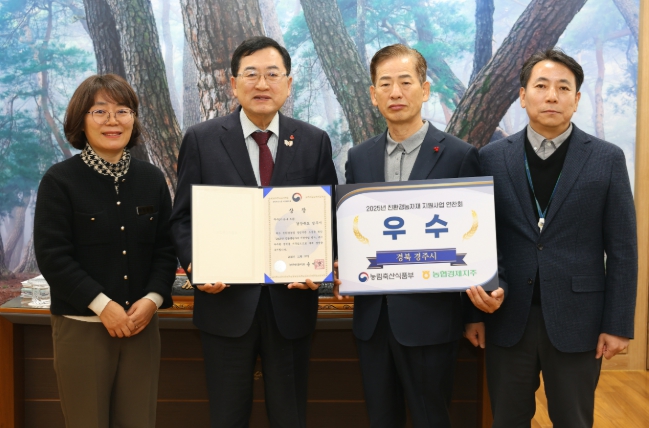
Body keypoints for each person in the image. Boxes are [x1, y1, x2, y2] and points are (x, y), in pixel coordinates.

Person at [169, 36, 338, 427]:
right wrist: (197, 265)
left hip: (291, 306)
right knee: (227, 416)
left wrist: (320, 265)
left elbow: (327, 216)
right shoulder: (201, 139)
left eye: (272, 74)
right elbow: (182, 218)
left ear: (288, 83)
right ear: (233, 84)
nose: (262, 84)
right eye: (251, 74)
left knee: (289, 416)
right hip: (225, 305)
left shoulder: (313, 141)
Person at [335, 44, 503, 428]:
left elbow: (477, 240)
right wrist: (343, 262)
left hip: (432, 322)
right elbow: (354, 230)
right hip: (373, 322)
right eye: (385, 84)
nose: (395, 92)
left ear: (425, 90)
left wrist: (474, 315)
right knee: (381, 418)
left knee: (432, 418)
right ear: (373, 94)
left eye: (405, 82)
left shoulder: (459, 155)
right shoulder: (359, 157)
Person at [471, 48, 637, 427]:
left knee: (573, 420)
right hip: (507, 318)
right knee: (507, 419)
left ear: (576, 100)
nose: (551, 96)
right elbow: (480, 242)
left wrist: (617, 323)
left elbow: (623, 249)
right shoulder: (492, 158)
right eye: (541, 86)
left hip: (579, 319)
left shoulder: (606, 158)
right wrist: (473, 315)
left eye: (563, 88)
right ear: (522, 95)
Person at [33, 74, 177, 428]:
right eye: (100, 111)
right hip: (82, 327)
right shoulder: (59, 181)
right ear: (80, 120)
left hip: (142, 325)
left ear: (133, 119)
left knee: (139, 421)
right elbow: (53, 256)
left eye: (123, 111)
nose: (113, 121)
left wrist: (153, 299)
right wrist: (102, 305)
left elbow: (165, 247)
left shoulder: (151, 179)